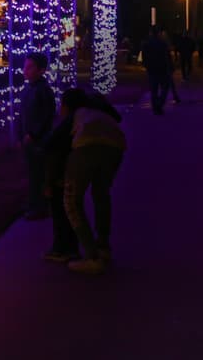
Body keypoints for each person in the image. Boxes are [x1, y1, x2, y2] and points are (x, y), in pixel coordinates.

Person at [65, 90, 127, 275]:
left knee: (71, 201)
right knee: (101, 194)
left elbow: (55, 142)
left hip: (87, 146)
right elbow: (117, 119)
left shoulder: (78, 114)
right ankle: (103, 247)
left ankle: (91, 256)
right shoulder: (100, 111)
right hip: (116, 147)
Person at [41, 88, 83, 262]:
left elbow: (52, 152)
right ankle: (72, 248)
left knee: (61, 213)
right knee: (71, 211)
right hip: (74, 173)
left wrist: (49, 183)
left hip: (62, 176)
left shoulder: (65, 127)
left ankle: (61, 249)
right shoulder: (79, 121)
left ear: (66, 106)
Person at [19, 51, 56, 218]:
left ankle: (39, 207)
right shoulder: (29, 89)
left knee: (39, 174)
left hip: (39, 141)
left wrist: (33, 134)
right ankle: (33, 203)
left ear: (41, 70)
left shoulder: (43, 90)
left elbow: (46, 115)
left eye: (30, 67)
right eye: (25, 66)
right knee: (32, 173)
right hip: (29, 139)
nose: (26, 70)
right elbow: (23, 114)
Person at [142, 24, 174, 115]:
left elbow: (145, 57)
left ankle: (155, 107)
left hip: (152, 69)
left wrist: (147, 66)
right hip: (162, 68)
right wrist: (170, 66)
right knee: (164, 87)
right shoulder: (162, 43)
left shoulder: (146, 44)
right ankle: (159, 104)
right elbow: (167, 56)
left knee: (154, 89)